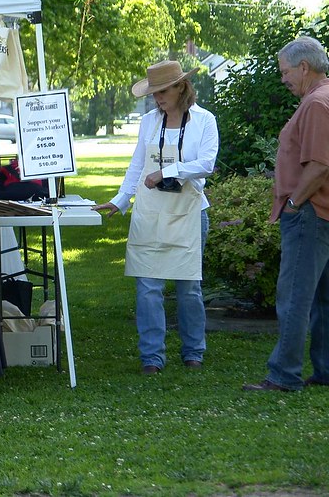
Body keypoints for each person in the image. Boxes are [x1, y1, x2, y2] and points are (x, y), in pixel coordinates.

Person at [92, 60, 219, 375]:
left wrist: (168, 171)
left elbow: (206, 164)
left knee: (188, 286)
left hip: (188, 211)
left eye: (162, 92)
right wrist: (121, 200)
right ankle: (152, 357)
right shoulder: (149, 121)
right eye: (154, 94)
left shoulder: (204, 120)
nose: (157, 99)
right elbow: (137, 164)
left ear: (181, 87)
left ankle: (193, 351)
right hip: (151, 210)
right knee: (147, 284)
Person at [243, 36, 329, 392]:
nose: (283, 79)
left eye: (286, 72)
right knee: (323, 298)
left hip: (310, 214)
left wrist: (294, 202)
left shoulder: (316, 104)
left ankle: (284, 374)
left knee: (294, 296)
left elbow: (320, 166)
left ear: (305, 67)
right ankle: (324, 370)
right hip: (321, 214)